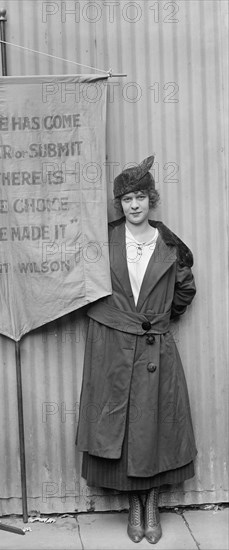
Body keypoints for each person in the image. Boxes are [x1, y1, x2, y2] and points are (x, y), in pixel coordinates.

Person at [76, 155, 197, 544]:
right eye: (127, 199)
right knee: (123, 425)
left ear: (151, 200)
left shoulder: (169, 243)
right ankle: (133, 505)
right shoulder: (104, 239)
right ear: (120, 204)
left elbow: (185, 290)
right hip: (115, 346)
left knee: (157, 425)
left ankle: (154, 503)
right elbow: (83, 285)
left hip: (154, 347)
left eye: (141, 197)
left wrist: (159, 320)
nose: (134, 205)